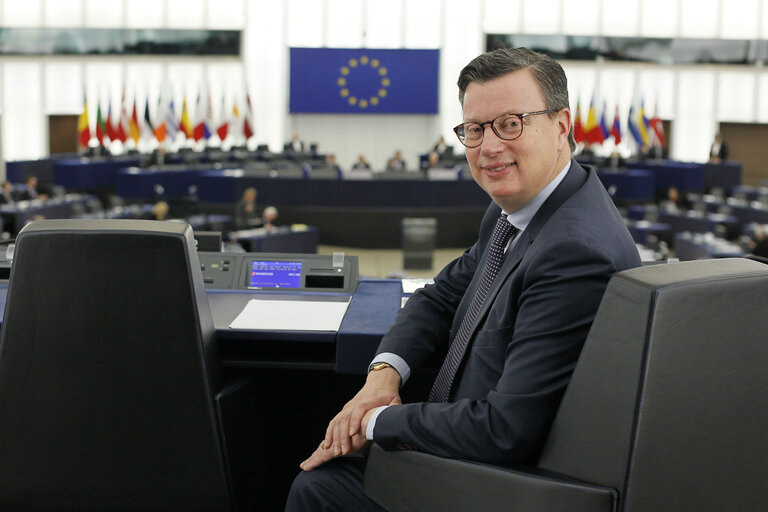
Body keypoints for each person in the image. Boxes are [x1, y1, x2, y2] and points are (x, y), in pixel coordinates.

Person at [286, 47, 641, 510]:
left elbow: (504, 430)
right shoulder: (514, 211)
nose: (489, 146)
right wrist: (382, 377)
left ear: (561, 125)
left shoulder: (574, 252)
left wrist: (371, 423)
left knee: (315, 487)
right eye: (475, 129)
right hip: (463, 441)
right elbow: (437, 297)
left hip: (499, 484)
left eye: (511, 123)